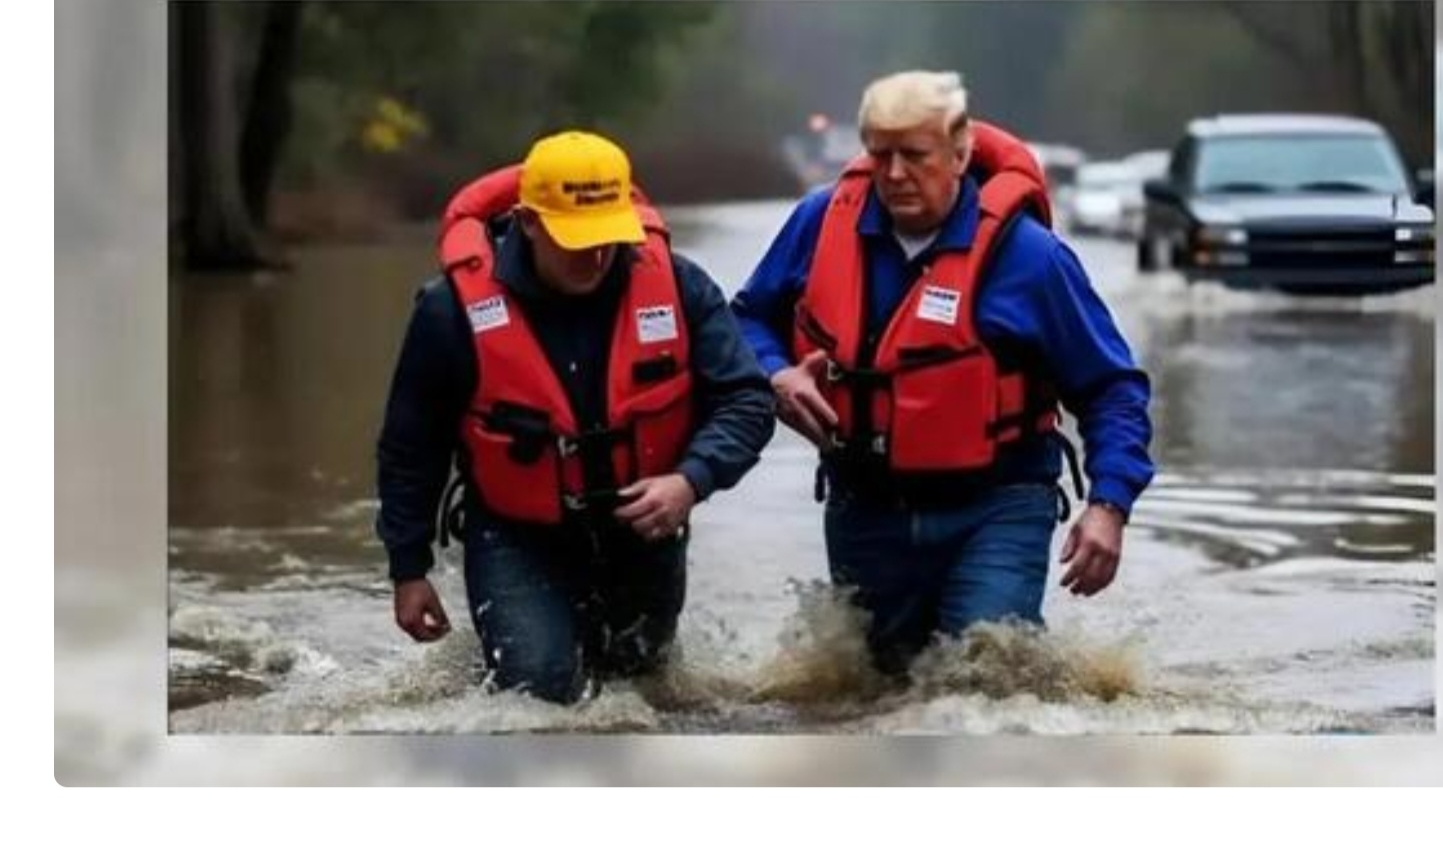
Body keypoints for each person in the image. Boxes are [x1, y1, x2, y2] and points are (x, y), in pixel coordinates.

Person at [731, 71, 1155, 674]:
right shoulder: (821, 222)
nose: (896, 174)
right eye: (880, 154)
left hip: (998, 504)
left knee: (984, 677)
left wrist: (1109, 506)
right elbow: (747, 320)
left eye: (915, 155)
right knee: (875, 694)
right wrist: (775, 374)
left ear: (960, 154)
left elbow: (1112, 388)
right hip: (866, 507)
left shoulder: (1031, 258)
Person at [376, 130, 776, 703]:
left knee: (640, 698)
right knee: (538, 696)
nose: (595, 256)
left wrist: (691, 480)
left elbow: (748, 399)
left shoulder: (678, 285)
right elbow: (410, 447)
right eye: (575, 239)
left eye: (608, 238)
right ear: (528, 223)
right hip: (518, 535)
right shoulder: (450, 311)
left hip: (644, 533)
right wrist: (408, 570)